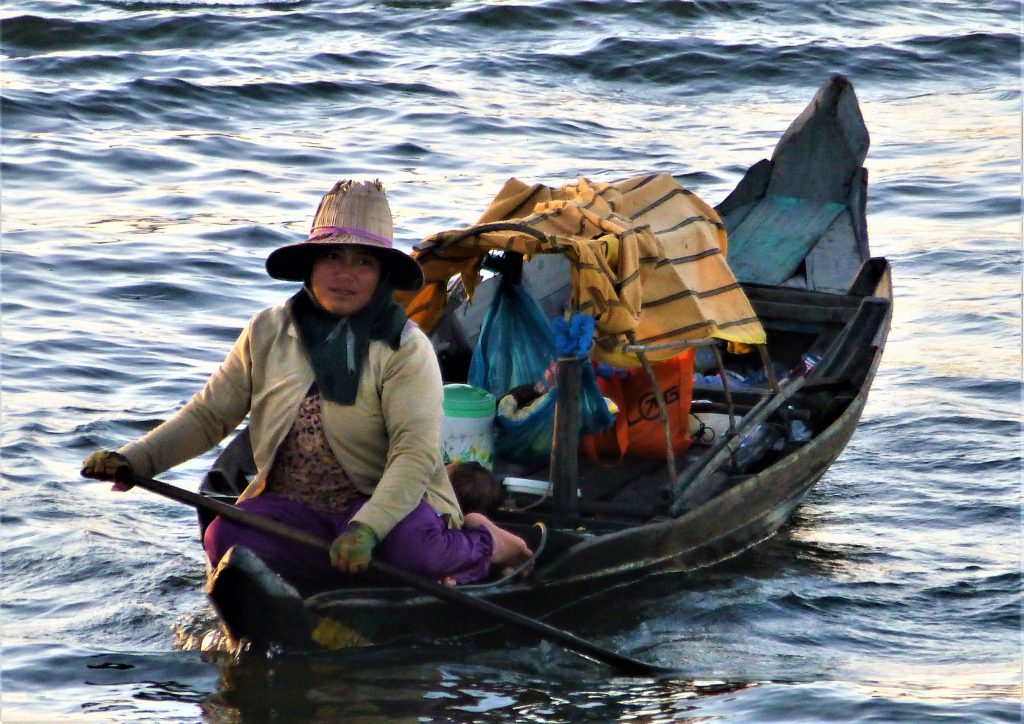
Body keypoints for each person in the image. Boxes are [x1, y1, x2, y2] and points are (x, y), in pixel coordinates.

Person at [82, 179, 530, 594]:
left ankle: (485, 543)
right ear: (311, 265)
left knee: (411, 554)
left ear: (382, 276)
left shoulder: (405, 349)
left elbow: (413, 456)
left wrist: (367, 528)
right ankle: (350, 576)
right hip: (296, 510)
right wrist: (135, 460)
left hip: (385, 509)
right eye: (332, 257)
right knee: (224, 538)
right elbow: (208, 415)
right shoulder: (268, 331)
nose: (345, 273)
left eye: (363, 262)